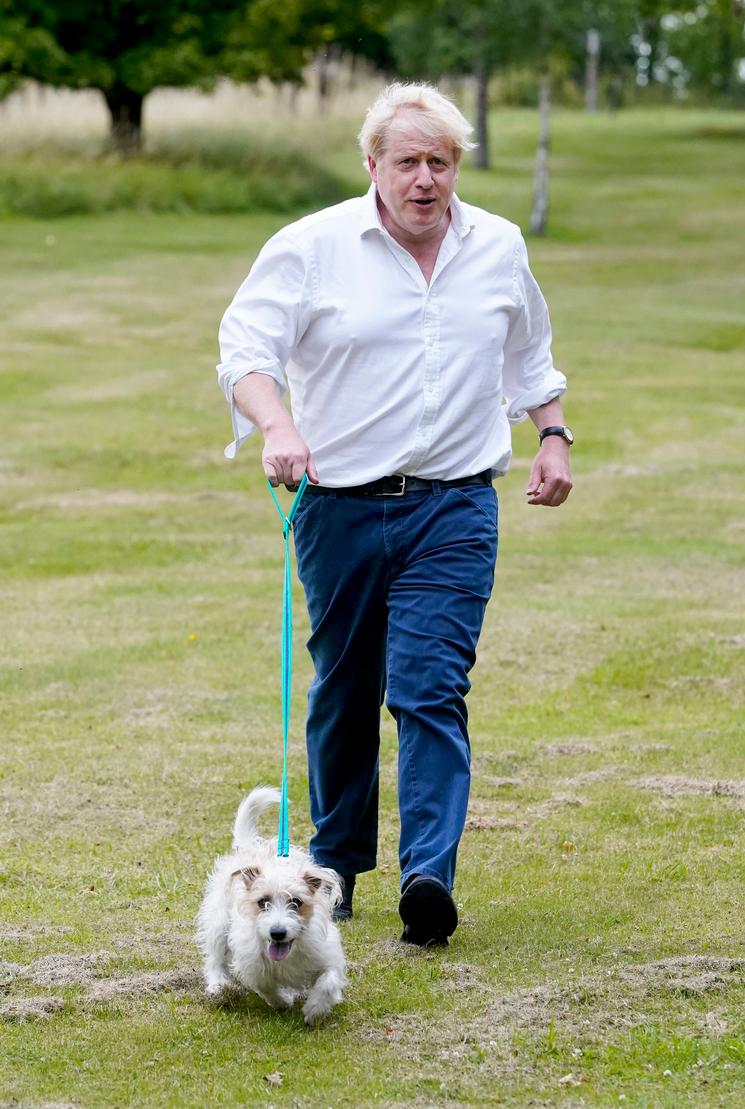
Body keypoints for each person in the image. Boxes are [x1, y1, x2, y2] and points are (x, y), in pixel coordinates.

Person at [217, 83, 572, 947]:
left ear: (458, 166)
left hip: (453, 503)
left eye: (440, 163)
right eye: (408, 161)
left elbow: (531, 355)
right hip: (336, 507)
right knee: (345, 688)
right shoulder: (311, 247)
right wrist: (279, 422)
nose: (425, 179)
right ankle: (330, 867)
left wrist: (552, 434)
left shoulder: (498, 246)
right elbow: (246, 349)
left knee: (430, 687)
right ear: (371, 163)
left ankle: (429, 876)